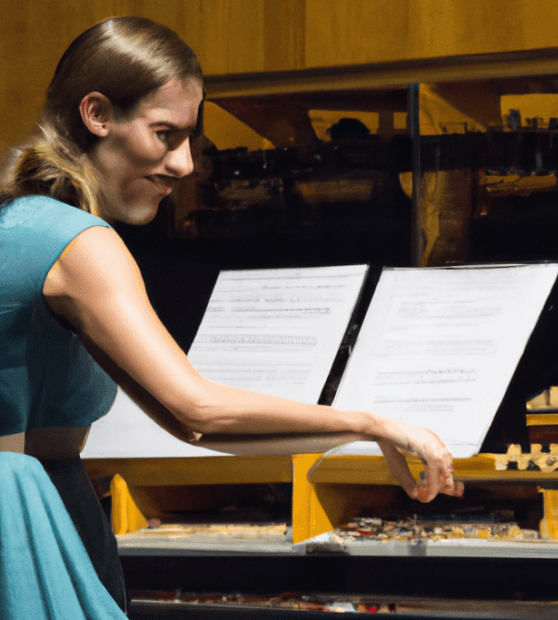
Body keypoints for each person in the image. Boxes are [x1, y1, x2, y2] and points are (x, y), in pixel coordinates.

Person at [0, 16, 462, 614]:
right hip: (24, 527)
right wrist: (372, 423)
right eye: (165, 134)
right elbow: (199, 411)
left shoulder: (20, 222)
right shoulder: (78, 243)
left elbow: (184, 424)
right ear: (97, 115)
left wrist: (358, 432)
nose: (185, 164)